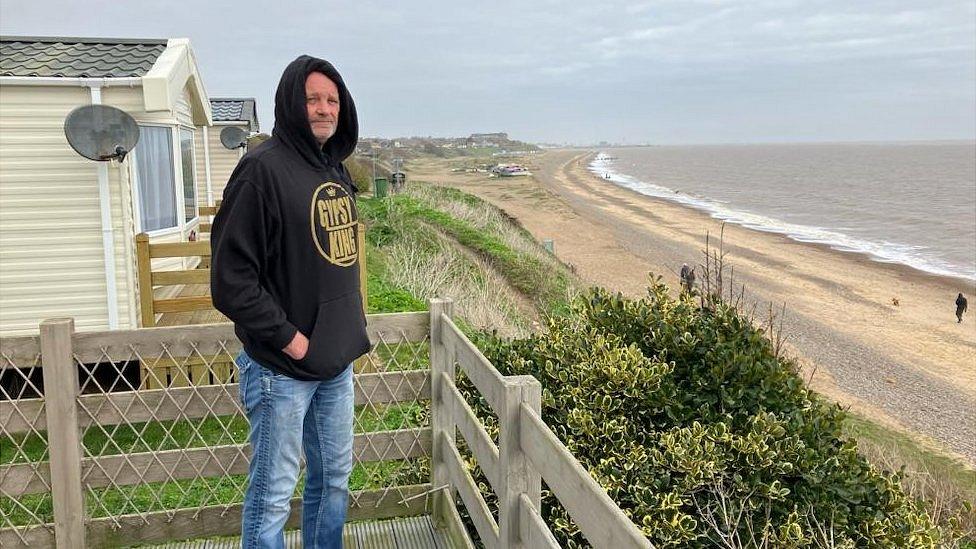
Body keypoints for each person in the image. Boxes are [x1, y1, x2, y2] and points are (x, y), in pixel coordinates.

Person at [210, 55, 369, 549]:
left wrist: (345, 329)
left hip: (335, 365)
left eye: (332, 100)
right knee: (273, 495)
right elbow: (231, 280)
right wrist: (294, 342)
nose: (324, 109)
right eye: (312, 99)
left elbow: (335, 259)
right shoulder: (261, 170)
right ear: (291, 103)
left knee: (334, 481)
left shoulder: (334, 169)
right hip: (282, 370)